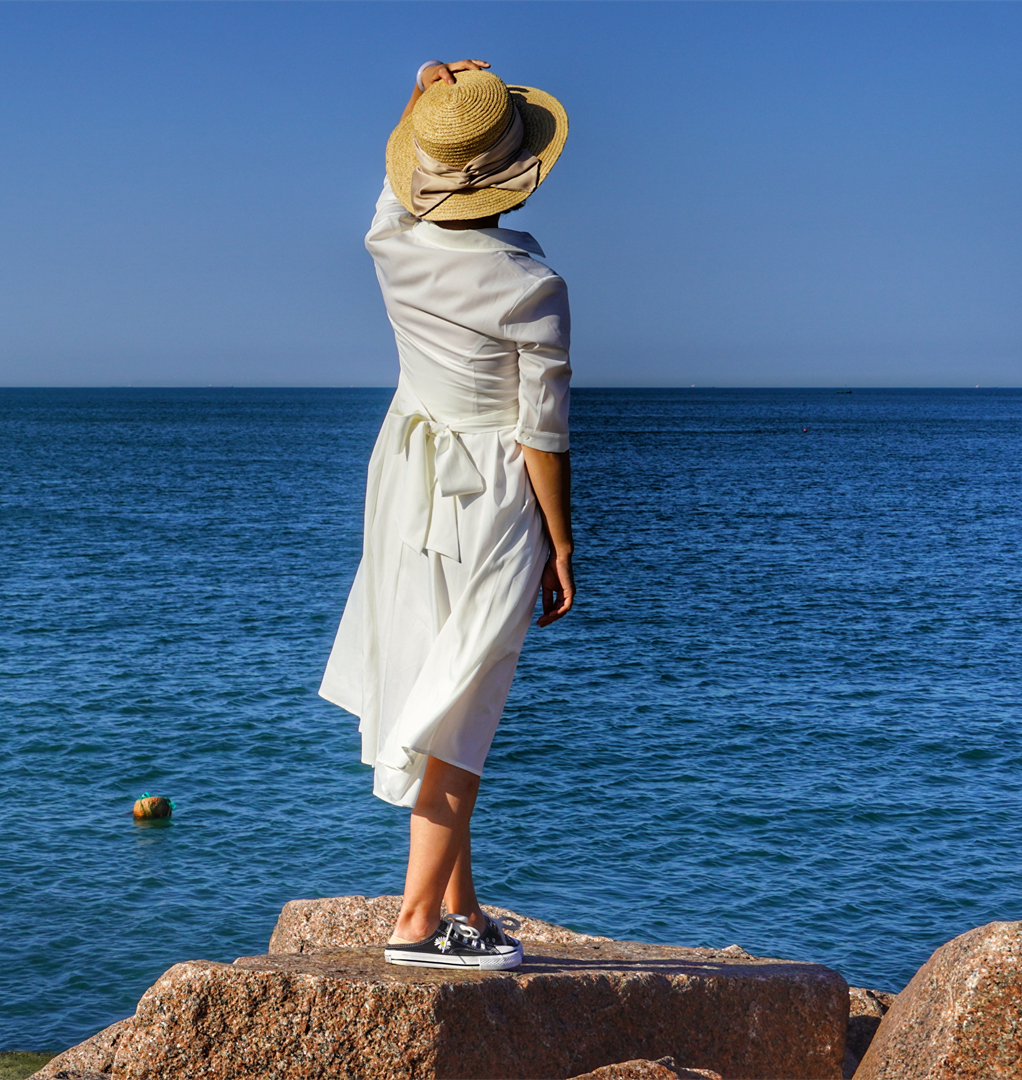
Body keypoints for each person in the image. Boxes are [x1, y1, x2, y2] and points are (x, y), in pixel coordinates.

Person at [319, 59, 575, 970]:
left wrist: (423, 97)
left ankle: (461, 903)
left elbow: (393, 192)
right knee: (463, 708)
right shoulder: (531, 286)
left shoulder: (394, 242)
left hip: (406, 482)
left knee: (438, 682)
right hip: (492, 494)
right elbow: (542, 433)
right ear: (518, 174)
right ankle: (416, 923)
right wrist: (561, 542)